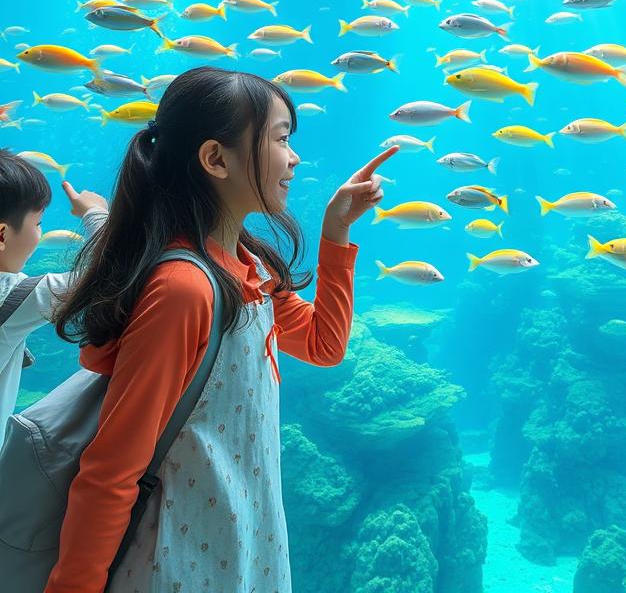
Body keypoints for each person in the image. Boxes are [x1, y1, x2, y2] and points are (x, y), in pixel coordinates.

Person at [43, 66, 398, 593]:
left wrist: (337, 229)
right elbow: (112, 470)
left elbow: (325, 345)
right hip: (176, 562)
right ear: (215, 159)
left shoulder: (248, 267)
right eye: (280, 139)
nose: (295, 158)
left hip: (243, 545)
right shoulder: (183, 290)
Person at [0, 149, 108, 423]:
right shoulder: (13, 295)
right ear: (2, 234)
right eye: (38, 223)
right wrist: (95, 213)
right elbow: (108, 273)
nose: (40, 233)